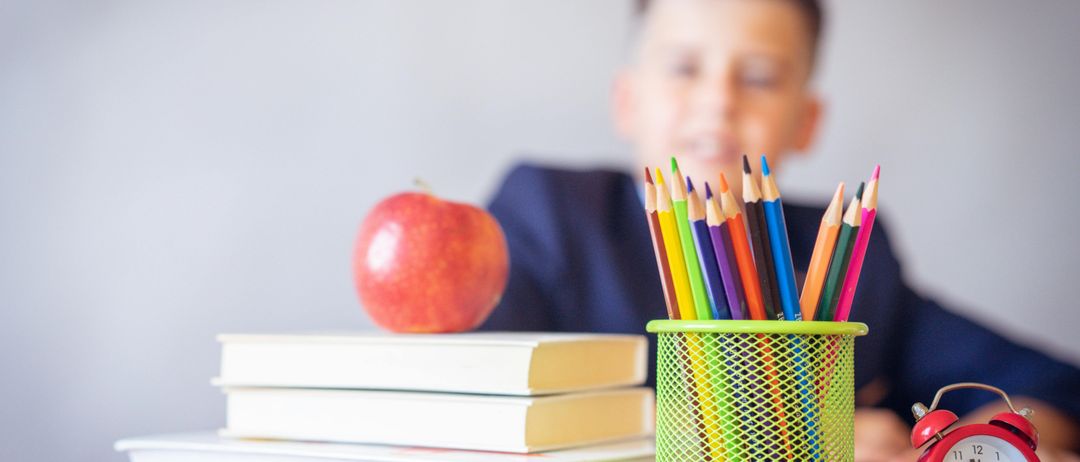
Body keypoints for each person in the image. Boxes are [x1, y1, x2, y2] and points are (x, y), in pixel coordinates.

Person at [480, 0, 1080, 460]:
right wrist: (805, 439)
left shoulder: (849, 254)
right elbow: (475, 399)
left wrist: (966, 448)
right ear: (627, 101)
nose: (718, 100)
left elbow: (1049, 385)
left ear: (806, 122)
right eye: (685, 67)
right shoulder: (549, 211)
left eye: (761, 77)